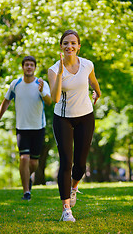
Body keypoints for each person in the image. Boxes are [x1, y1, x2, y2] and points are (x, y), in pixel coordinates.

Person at [48, 30, 101, 222]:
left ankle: (74, 188)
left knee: (80, 164)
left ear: (78, 46)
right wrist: (62, 73)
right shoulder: (54, 70)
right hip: (63, 118)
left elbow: (93, 81)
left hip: (85, 116)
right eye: (65, 43)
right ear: (61, 46)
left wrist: (97, 92)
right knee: (66, 162)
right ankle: (66, 209)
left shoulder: (87, 64)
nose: (69, 46)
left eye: (73, 43)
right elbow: (54, 98)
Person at [0, 56, 52, 200]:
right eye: (26, 65)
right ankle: (26, 192)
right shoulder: (15, 84)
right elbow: (6, 101)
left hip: (38, 127)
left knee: (33, 162)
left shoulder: (41, 83)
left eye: (32, 65)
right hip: (22, 128)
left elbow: (49, 102)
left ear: (35, 68)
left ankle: (28, 178)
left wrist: (43, 90)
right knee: (24, 158)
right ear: (23, 67)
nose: (29, 67)